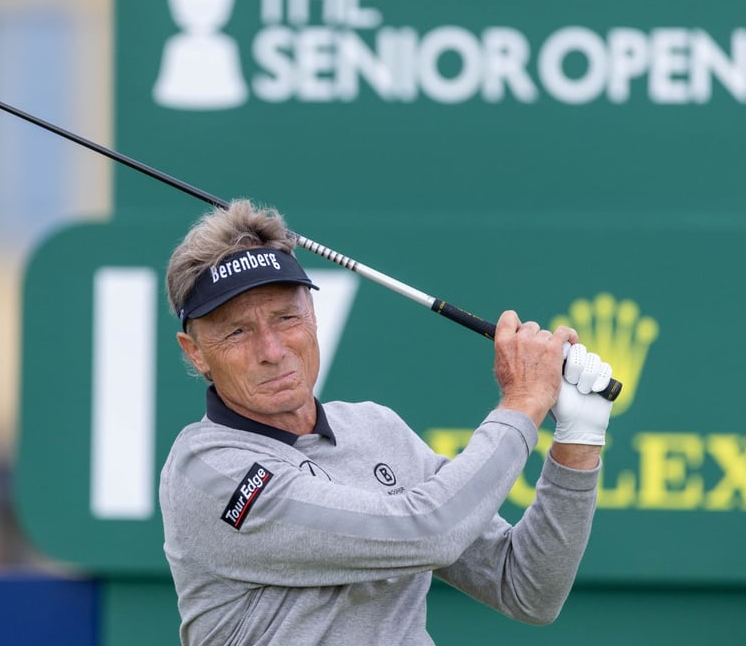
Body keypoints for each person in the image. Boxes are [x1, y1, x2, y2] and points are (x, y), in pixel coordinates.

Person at [158, 199, 616, 644]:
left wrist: (578, 441)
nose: (272, 350)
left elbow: (527, 588)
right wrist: (524, 401)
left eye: (286, 318)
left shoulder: (375, 429)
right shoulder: (210, 470)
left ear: (313, 315)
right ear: (195, 351)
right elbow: (429, 530)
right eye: (238, 331)